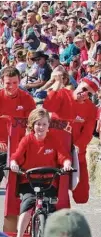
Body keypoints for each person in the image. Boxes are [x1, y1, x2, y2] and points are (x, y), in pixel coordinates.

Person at [0, 66, 36, 232]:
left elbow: (32, 122)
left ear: (19, 82)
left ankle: (19, 218)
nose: (11, 86)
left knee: (18, 183)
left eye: (14, 82)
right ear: (2, 82)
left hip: (20, 147)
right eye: (8, 83)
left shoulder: (27, 99)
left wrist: (28, 136)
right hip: (0, 146)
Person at [9, 108, 72, 237]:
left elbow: (63, 156)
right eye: (38, 124)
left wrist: (66, 163)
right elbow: (16, 156)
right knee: (27, 205)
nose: (41, 127)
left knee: (51, 208)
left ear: (48, 125)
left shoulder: (54, 140)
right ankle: (19, 235)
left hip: (49, 181)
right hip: (30, 181)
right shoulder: (27, 140)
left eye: (44, 124)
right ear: (32, 125)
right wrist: (14, 163)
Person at [43, 74, 99, 204]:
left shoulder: (91, 109)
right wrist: (56, 85)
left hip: (75, 152)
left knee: (82, 196)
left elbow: (87, 133)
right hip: (55, 149)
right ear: (79, 83)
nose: (84, 94)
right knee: (55, 189)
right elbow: (48, 106)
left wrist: (77, 147)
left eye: (89, 94)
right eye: (84, 89)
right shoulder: (63, 94)